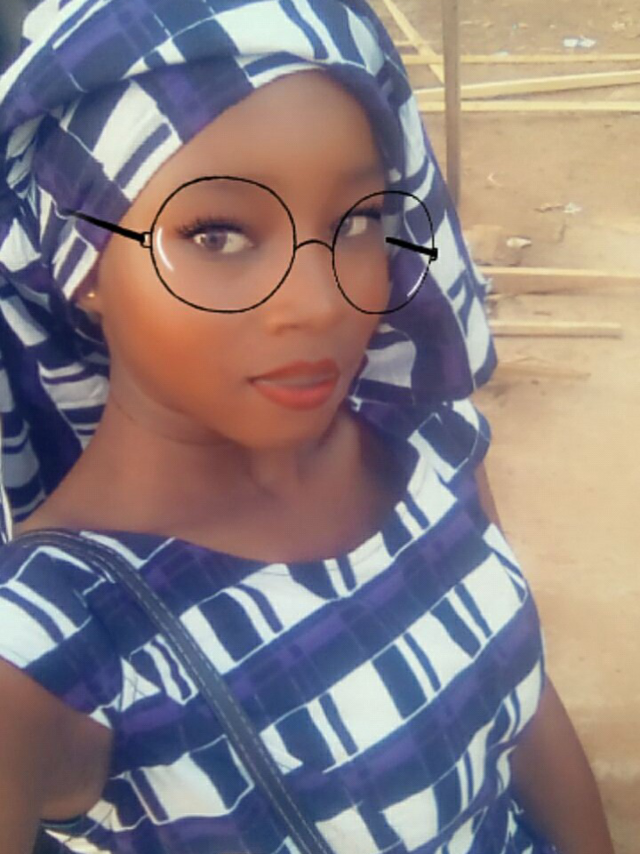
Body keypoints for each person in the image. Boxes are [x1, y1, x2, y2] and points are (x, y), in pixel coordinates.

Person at [0, 1, 615, 853]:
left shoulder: (425, 437)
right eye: (218, 234)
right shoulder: (51, 647)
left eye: (355, 222)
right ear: (80, 261)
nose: (322, 302)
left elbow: (525, 699)